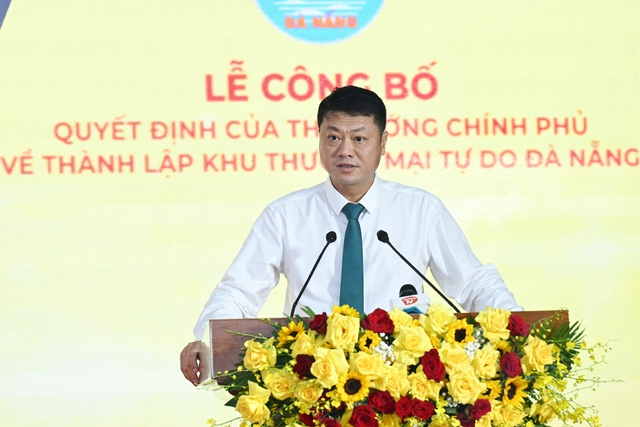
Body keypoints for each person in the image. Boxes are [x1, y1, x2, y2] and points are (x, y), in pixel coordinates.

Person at [180, 86, 522, 385]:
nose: (345, 150)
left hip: (403, 384)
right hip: (310, 381)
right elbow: (239, 290)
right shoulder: (285, 215)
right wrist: (207, 339)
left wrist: (519, 328)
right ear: (319, 139)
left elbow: (473, 284)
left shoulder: (421, 210)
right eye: (333, 137)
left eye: (359, 138)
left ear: (382, 142)